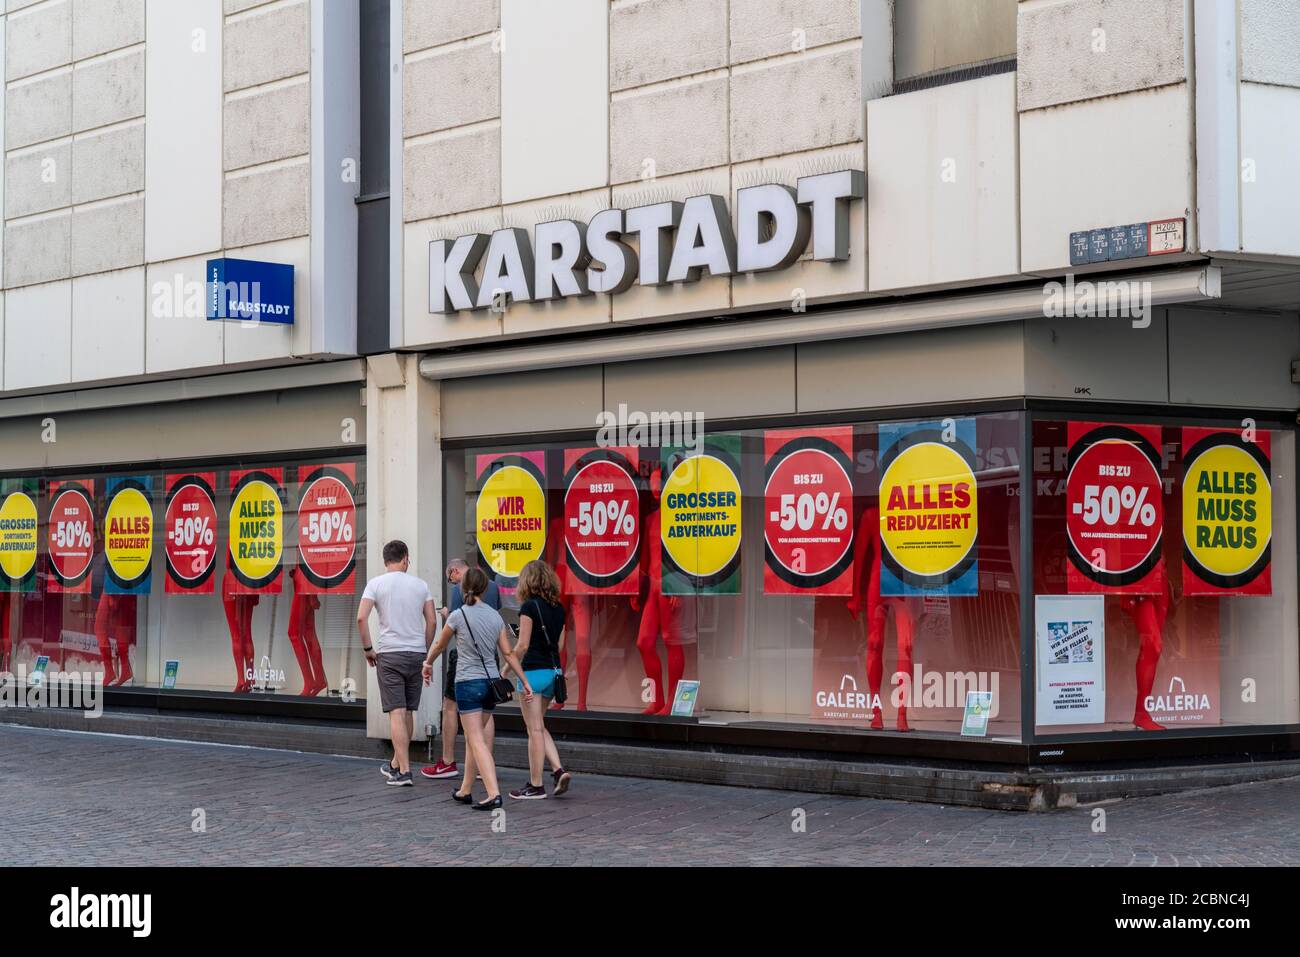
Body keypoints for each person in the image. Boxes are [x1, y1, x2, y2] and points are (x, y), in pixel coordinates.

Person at [422, 567, 531, 810]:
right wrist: (524, 681)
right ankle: (465, 790)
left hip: (468, 683)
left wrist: (427, 663)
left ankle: (493, 794)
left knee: (475, 739)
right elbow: (508, 653)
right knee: (475, 738)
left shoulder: (458, 615)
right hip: (491, 684)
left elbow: (440, 645)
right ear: (485, 588)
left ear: (463, 588)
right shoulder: (495, 617)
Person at [358, 540, 437, 788]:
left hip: (390, 654)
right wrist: (424, 650)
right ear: (405, 559)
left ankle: (404, 771)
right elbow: (433, 621)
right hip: (416, 654)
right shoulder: (421, 585)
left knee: (396, 712)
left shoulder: (376, 584)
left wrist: (369, 649)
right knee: (408, 711)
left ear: (385, 561)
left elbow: (362, 617)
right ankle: (396, 763)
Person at [421, 558, 502, 780]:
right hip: (490, 656)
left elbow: (458, 627)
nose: (452, 582)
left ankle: (448, 761)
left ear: (455, 571)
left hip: (465, 657)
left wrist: (447, 615)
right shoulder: (492, 586)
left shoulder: (461, 588)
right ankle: (484, 762)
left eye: (450, 578)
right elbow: (490, 617)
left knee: (450, 705)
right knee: (487, 709)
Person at [506, 560, 573, 799]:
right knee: (539, 726)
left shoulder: (528, 608)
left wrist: (505, 669)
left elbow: (522, 645)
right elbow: (561, 645)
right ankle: (558, 770)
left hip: (531, 674)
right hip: (552, 674)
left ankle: (535, 785)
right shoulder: (559, 608)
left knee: (533, 730)